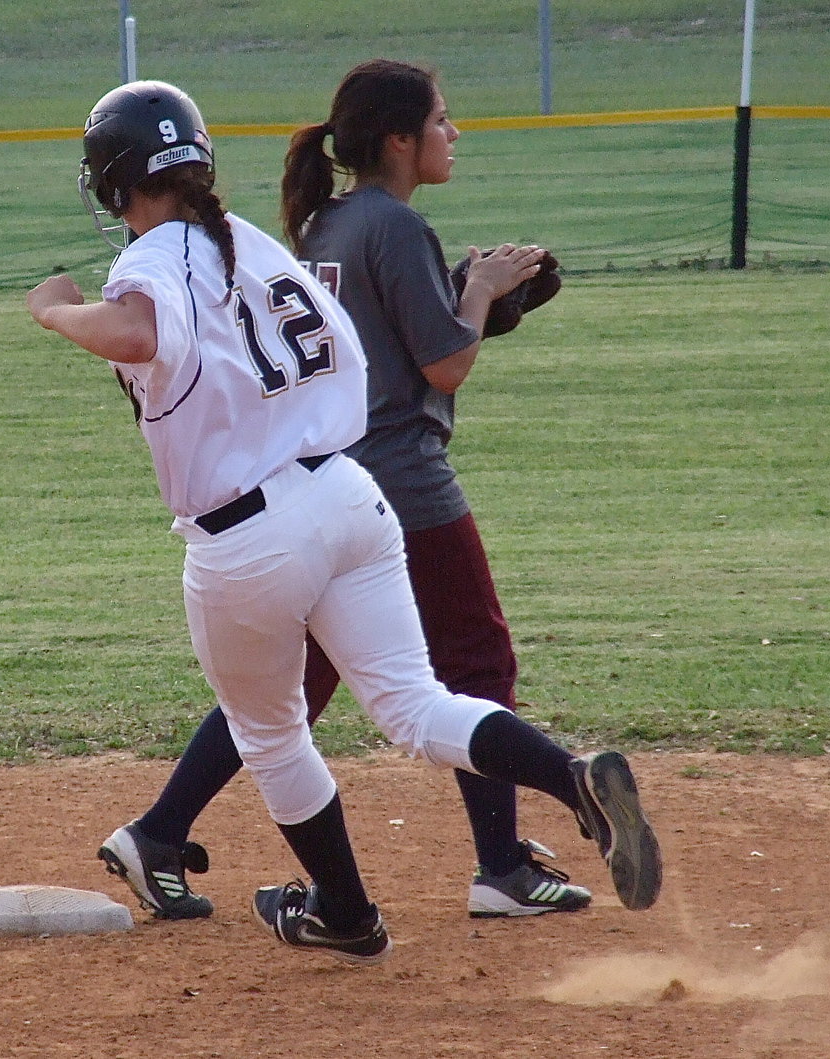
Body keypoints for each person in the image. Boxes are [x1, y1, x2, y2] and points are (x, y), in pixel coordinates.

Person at [34, 79, 661, 965]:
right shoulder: (247, 244)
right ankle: (572, 780)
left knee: (272, 732)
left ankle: (347, 912)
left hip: (248, 537)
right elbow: (349, 354)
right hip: (350, 497)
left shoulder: (152, 260)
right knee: (417, 703)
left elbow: (136, 336)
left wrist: (52, 307)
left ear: (113, 183)